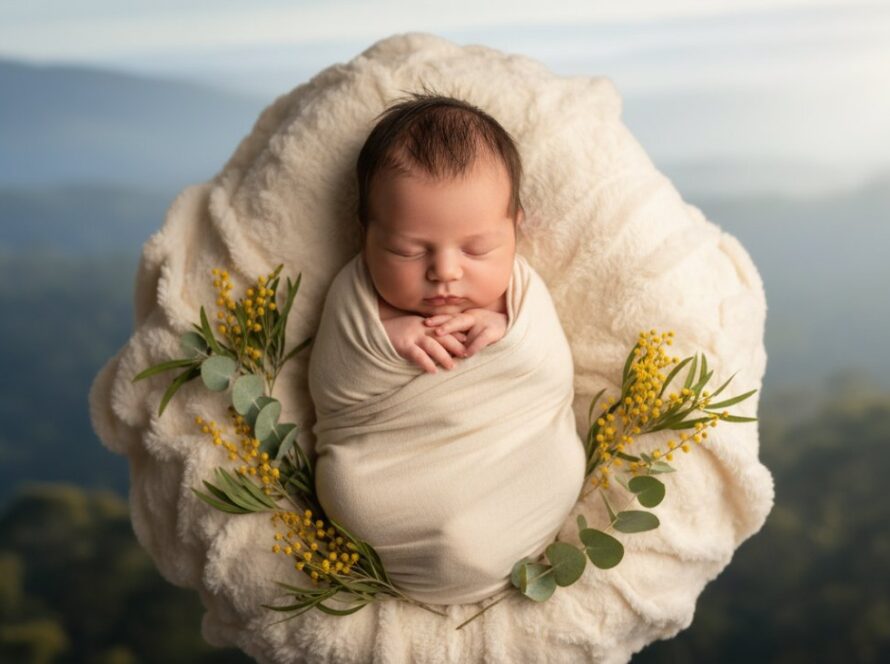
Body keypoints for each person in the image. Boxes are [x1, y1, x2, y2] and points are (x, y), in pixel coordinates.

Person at [355, 92, 525, 374]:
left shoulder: (520, 299)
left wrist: (507, 329)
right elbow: (330, 375)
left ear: (515, 232)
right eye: (408, 251)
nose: (445, 272)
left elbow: (547, 360)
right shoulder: (357, 300)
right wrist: (379, 341)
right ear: (365, 238)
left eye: (477, 249)